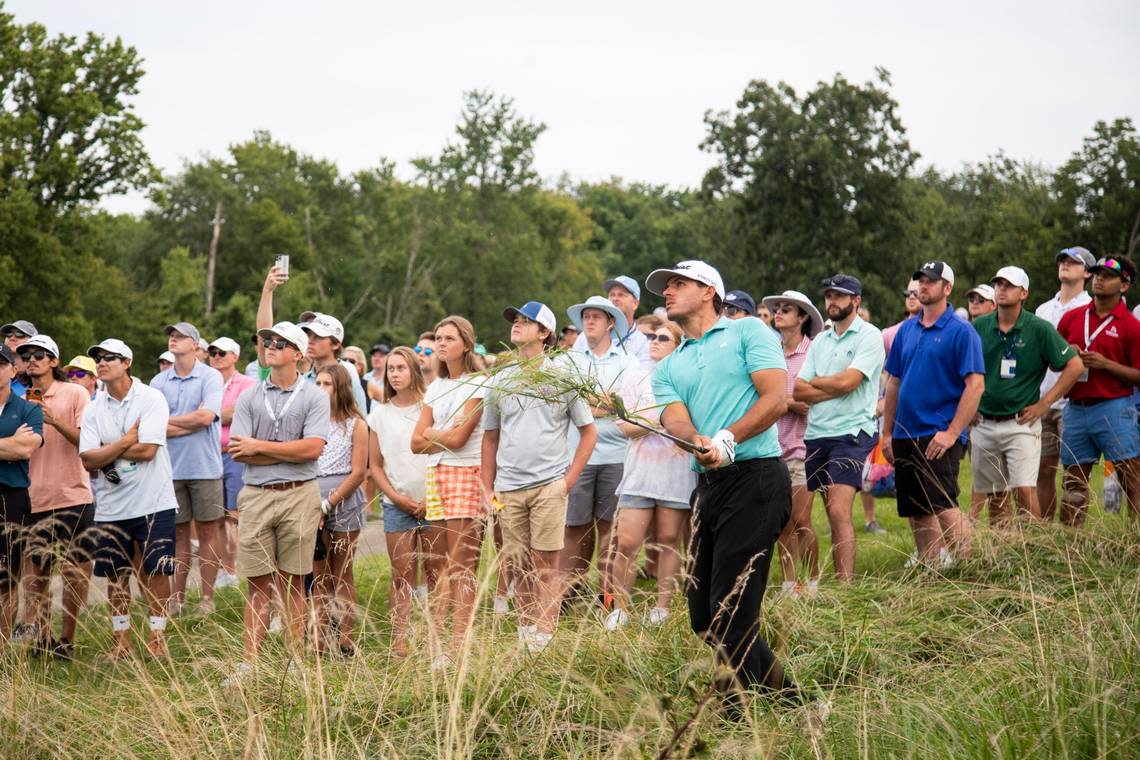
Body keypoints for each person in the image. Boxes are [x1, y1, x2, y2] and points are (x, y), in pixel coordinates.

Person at [647, 259, 802, 709]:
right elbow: (675, 417)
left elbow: (776, 397)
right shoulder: (669, 365)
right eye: (666, 286)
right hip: (708, 486)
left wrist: (728, 438)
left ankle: (748, 713)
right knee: (704, 617)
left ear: (709, 290)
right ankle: (776, 701)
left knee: (731, 613)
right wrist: (695, 439)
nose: (668, 292)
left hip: (756, 478)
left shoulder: (747, 332)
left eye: (679, 283)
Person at [482, 301, 597, 651]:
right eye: (515, 320)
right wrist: (487, 488)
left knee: (547, 561)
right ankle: (525, 629)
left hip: (549, 484)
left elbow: (587, 431)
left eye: (526, 321)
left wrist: (568, 480)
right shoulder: (500, 380)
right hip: (509, 487)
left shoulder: (562, 378)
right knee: (517, 564)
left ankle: (545, 635)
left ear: (544, 332)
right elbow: (490, 437)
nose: (517, 325)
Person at [228, 321, 329, 668]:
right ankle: (249, 664)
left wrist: (261, 447)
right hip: (256, 493)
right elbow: (239, 451)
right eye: (268, 341)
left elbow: (314, 448)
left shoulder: (315, 395)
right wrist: (284, 449)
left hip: (299, 493)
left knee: (294, 583)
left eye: (281, 343)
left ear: (298, 354)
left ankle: (293, 662)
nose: (271, 346)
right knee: (258, 584)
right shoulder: (249, 396)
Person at [79, 338, 177, 659]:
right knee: (115, 574)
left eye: (110, 358)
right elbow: (88, 460)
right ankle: (121, 639)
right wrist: (126, 439)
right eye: (98, 358)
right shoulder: (94, 407)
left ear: (127, 362)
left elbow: (148, 451)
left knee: (156, 571)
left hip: (154, 501)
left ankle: (157, 635)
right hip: (111, 506)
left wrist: (108, 448)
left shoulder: (151, 398)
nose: (102, 362)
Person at [882, 261, 984, 567]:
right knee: (917, 509)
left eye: (930, 281)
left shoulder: (961, 331)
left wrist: (953, 432)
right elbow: (894, 382)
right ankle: (931, 571)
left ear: (947, 288)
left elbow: (975, 385)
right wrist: (887, 433)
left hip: (938, 432)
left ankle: (973, 571)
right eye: (920, 280)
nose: (922, 286)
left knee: (943, 504)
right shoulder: (906, 330)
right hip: (904, 433)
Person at [969, 266, 1083, 524]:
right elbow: (959, 370)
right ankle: (1003, 549)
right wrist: (968, 406)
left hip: (1020, 421)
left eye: (1008, 285)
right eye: (998, 284)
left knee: (1024, 489)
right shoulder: (980, 326)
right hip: (984, 421)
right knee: (995, 494)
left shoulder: (1038, 328)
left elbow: (1075, 365)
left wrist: (1044, 404)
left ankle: (1033, 548)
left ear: (1023, 293)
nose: (1001, 289)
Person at [792, 276, 884, 582]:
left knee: (838, 509)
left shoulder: (869, 336)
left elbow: (850, 382)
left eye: (839, 296)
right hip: (817, 433)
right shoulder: (821, 339)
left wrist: (822, 382)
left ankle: (846, 586)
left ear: (856, 300)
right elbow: (799, 391)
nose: (832, 301)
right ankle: (821, 582)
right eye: (829, 295)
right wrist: (833, 385)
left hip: (851, 433)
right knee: (823, 511)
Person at [606, 319, 693, 627]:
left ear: (678, 345)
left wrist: (649, 419)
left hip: (676, 470)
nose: (654, 341)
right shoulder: (635, 376)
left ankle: (663, 606)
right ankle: (620, 609)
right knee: (627, 542)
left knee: (669, 539)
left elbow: (689, 423)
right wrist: (660, 418)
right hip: (639, 472)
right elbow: (624, 427)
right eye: (653, 336)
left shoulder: (686, 379)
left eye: (663, 338)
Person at [411, 316, 487, 665]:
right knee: (439, 564)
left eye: (449, 338)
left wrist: (434, 434)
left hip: (467, 473)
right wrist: (440, 434)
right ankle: (439, 645)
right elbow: (415, 441)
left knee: (462, 565)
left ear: (466, 344)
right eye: (438, 337)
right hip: (436, 473)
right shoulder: (437, 387)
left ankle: (460, 645)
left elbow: (460, 440)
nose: (441, 344)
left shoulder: (479, 384)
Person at [20, 336, 94, 660]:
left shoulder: (76, 392)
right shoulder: (18, 398)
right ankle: (42, 634)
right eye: (26, 354)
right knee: (38, 574)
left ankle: (67, 638)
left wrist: (52, 419)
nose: (31, 359)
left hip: (72, 495)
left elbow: (88, 442)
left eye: (39, 354)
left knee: (75, 572)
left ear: (54, 361)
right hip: (34, 496)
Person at [563, 295, 639, 609]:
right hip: (578, 453)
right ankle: (569, 592)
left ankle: (607, 596)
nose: (590, 321)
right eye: (586, 316)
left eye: (597, 316)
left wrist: (596, 405)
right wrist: (603, 404)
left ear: (610, 322)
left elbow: (628, 407)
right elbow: (569, 404)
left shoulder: (627, 361)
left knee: (611, 528)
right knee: (575, 526)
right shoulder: (567, 360)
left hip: (617, 453)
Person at [1055, 255, 1140, 525]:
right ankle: (1070, 547)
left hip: (1115, 406)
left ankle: (1135, 544)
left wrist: (1106, 364)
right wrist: (1069, 357)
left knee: (1131, 479)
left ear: (1124, 285)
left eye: (1108, 275)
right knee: (1073, 481)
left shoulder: (1131, 326)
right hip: (1076, 408)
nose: (1100, 279)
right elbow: (1055, 361)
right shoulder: (1071, 318)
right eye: (1097, 273)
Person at [368, 346, 442, 656]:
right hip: (396, 502)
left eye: (401, 368)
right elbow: (375, 465)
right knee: (402, 574)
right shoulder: (380, 415)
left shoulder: (431, 407)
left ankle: (436, 635)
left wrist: (429, 497)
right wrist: (396, 497)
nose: (395, 374)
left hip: (433, 500)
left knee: (436, 572)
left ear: (414, 370)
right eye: (391, 370)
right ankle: (400, 638)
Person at [151, 322, 225, 615]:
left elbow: (207, 417)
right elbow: (152, 425)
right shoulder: (159, 382)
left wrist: (171, 422)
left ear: (195, 346)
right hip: (170, 469)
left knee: (208, 533)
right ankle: (177, 600)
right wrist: (187, 422)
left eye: (180, 336)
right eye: (171, 335)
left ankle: (207, 599)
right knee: (178, 535)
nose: (173, 340)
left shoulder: (210, 376)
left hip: (205, 468)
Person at [764, 290, 823, 594]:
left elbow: (812, 397)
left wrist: (788, 401)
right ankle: (789, 584)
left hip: (803, 445)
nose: (779, 313)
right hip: (773, 447)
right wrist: (788, 402)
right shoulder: (769, 351)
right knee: (782, 523)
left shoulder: (813, 351)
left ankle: (811, 580)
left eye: (787, 309)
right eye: (777, 309)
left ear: (802, 318)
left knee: (801, 519)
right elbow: (774, 398)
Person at [1034, 247, 1095, 520]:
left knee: (1074, 475)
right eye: (1062, 260)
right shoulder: (1043, 309)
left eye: (1073, 262)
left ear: (1087, 272)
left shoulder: (1091, 308)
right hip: (1041, 399)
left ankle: (1072, 539)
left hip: (1074, 401)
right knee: (1041, 470)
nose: (1065, 265)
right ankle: (1044, 535)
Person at [312, 364, 368, 656]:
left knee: (342, 570)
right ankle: (320, 637)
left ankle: (345, 637)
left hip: (344, 498)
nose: (321, 389)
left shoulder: (356, 424)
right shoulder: (311, 422)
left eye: (327, 384)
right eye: (317, 383)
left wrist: (329, 503)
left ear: (341, 388)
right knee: (318, 573)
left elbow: (359, 472)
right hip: (313, 496)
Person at [0, 344, 43, 649]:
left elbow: (25, 449)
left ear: (13, 371)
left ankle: (2, 646)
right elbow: (13, 447)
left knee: (7, 574)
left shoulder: (28, 407)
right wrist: (8, 444)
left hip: (11, 496)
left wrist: (15, 445)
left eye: (1, 363)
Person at [208, 337, 256, 587]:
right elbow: (201, 415)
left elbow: (242, 414)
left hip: (235, 454)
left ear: (234, 356)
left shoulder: (247, 383)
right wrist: (218, 415)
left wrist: (211, 415)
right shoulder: (206, 382)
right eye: (212, 352)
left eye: (221, 352)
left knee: (235, 515)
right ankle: (224, 570)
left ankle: (237, 568)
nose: (215, 356)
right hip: (209, 455)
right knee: (215, 517)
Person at [572, 276, 652, 367]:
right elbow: (572, 364)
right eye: (612, 295)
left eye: (621, 295)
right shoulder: (585, 335)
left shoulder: (642, 342)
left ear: (635, 304)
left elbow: (642, 375)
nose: (615, 298)